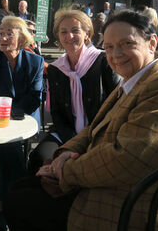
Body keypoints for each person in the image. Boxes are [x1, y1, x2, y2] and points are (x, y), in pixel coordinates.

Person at [2, 10, 158, 231]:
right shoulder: (131, 82)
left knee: (18, 203)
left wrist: (64, 170)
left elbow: (127, 159)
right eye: (108, 47)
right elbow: (93, 129)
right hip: (109, 183)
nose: (116, 54)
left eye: (127, 43)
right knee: (20, 186)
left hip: (129, 204)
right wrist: (62, 154)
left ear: (152, 42)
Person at [27, 9, 119, 175]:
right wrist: (72, 141)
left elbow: (116, 107)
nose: (69, 36)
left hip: (100, 136)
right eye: (64, 32)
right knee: (38, 158)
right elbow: (57, 113)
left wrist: (87, 141)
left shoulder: (103, 61)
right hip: (65, 133)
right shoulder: (56, 69)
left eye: (75, 30)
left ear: (87, 33)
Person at [0, 16, 44, 200]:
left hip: (25, 117)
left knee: (7, 144)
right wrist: (3, 110)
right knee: (6, 144)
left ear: (22, 38)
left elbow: (35, 97)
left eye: (9, 34)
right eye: (1, 34)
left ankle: (7, 199)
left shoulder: (35, 62)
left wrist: (12, 111)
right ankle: (18, 195)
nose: (3, 38)